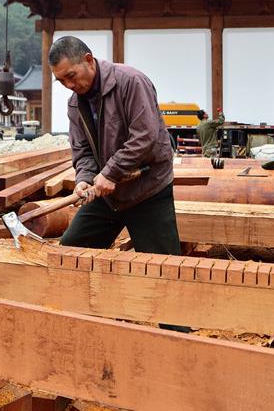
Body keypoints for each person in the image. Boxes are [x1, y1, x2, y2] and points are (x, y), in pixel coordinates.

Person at [50, 36, 188, 331]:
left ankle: (180, 340)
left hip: (147, 189)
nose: (69, 85)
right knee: (72, 253)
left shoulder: (130, 82)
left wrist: (110, 172)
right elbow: (82, 151)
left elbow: (145, 136)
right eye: (61, 81)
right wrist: (84, 179)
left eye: (71, 76)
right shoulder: (75, 104)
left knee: (165, 271)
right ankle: (82, 325)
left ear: (88, 60)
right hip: (108, 195)